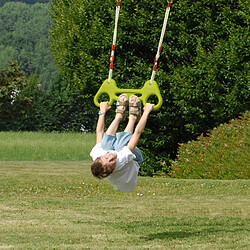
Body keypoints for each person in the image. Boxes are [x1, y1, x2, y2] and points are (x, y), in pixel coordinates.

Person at [90, 94, 154, 192]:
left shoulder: (97, 154)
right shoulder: (120, 161)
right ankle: (133, 117)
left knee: (105, 145)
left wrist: (102, 111)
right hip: (135, 160)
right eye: (111, 162)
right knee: (119, 146)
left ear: (100, 157)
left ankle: (119, 116)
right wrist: (146, 112)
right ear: (112, 169)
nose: (112, 157)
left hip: (119, 156)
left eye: (106, 158)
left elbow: (99, 132)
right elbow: (137, 133)